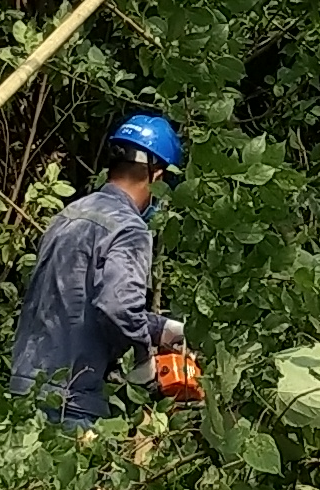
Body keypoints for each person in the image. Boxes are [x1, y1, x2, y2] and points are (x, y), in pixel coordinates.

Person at [10, 112, 188, 430]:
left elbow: (80, 301)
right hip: (70, 399)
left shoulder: (70, 214)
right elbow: (118, 307)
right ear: (158, 177)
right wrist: (144, 362)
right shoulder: (129, 228)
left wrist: (167, 330)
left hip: (26, 387)